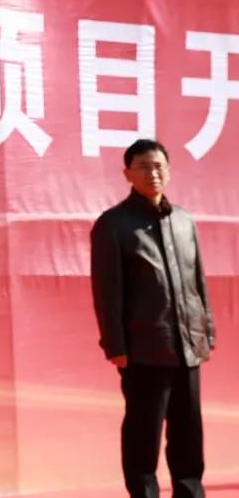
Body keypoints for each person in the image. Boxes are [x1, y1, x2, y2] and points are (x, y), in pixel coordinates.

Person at [90, 138, 215, 498]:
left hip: (188, 346)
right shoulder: (114, 224)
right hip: (144, 349)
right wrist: (115, 345)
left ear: (169, 171)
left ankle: (190, 492)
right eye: (143, 166)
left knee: (188, 432)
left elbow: (198, 282)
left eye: (158, 166)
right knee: (143, 434)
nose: (152, 173)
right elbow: (106, 291)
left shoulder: (184, 221)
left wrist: (205, 331)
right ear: (127, 173)